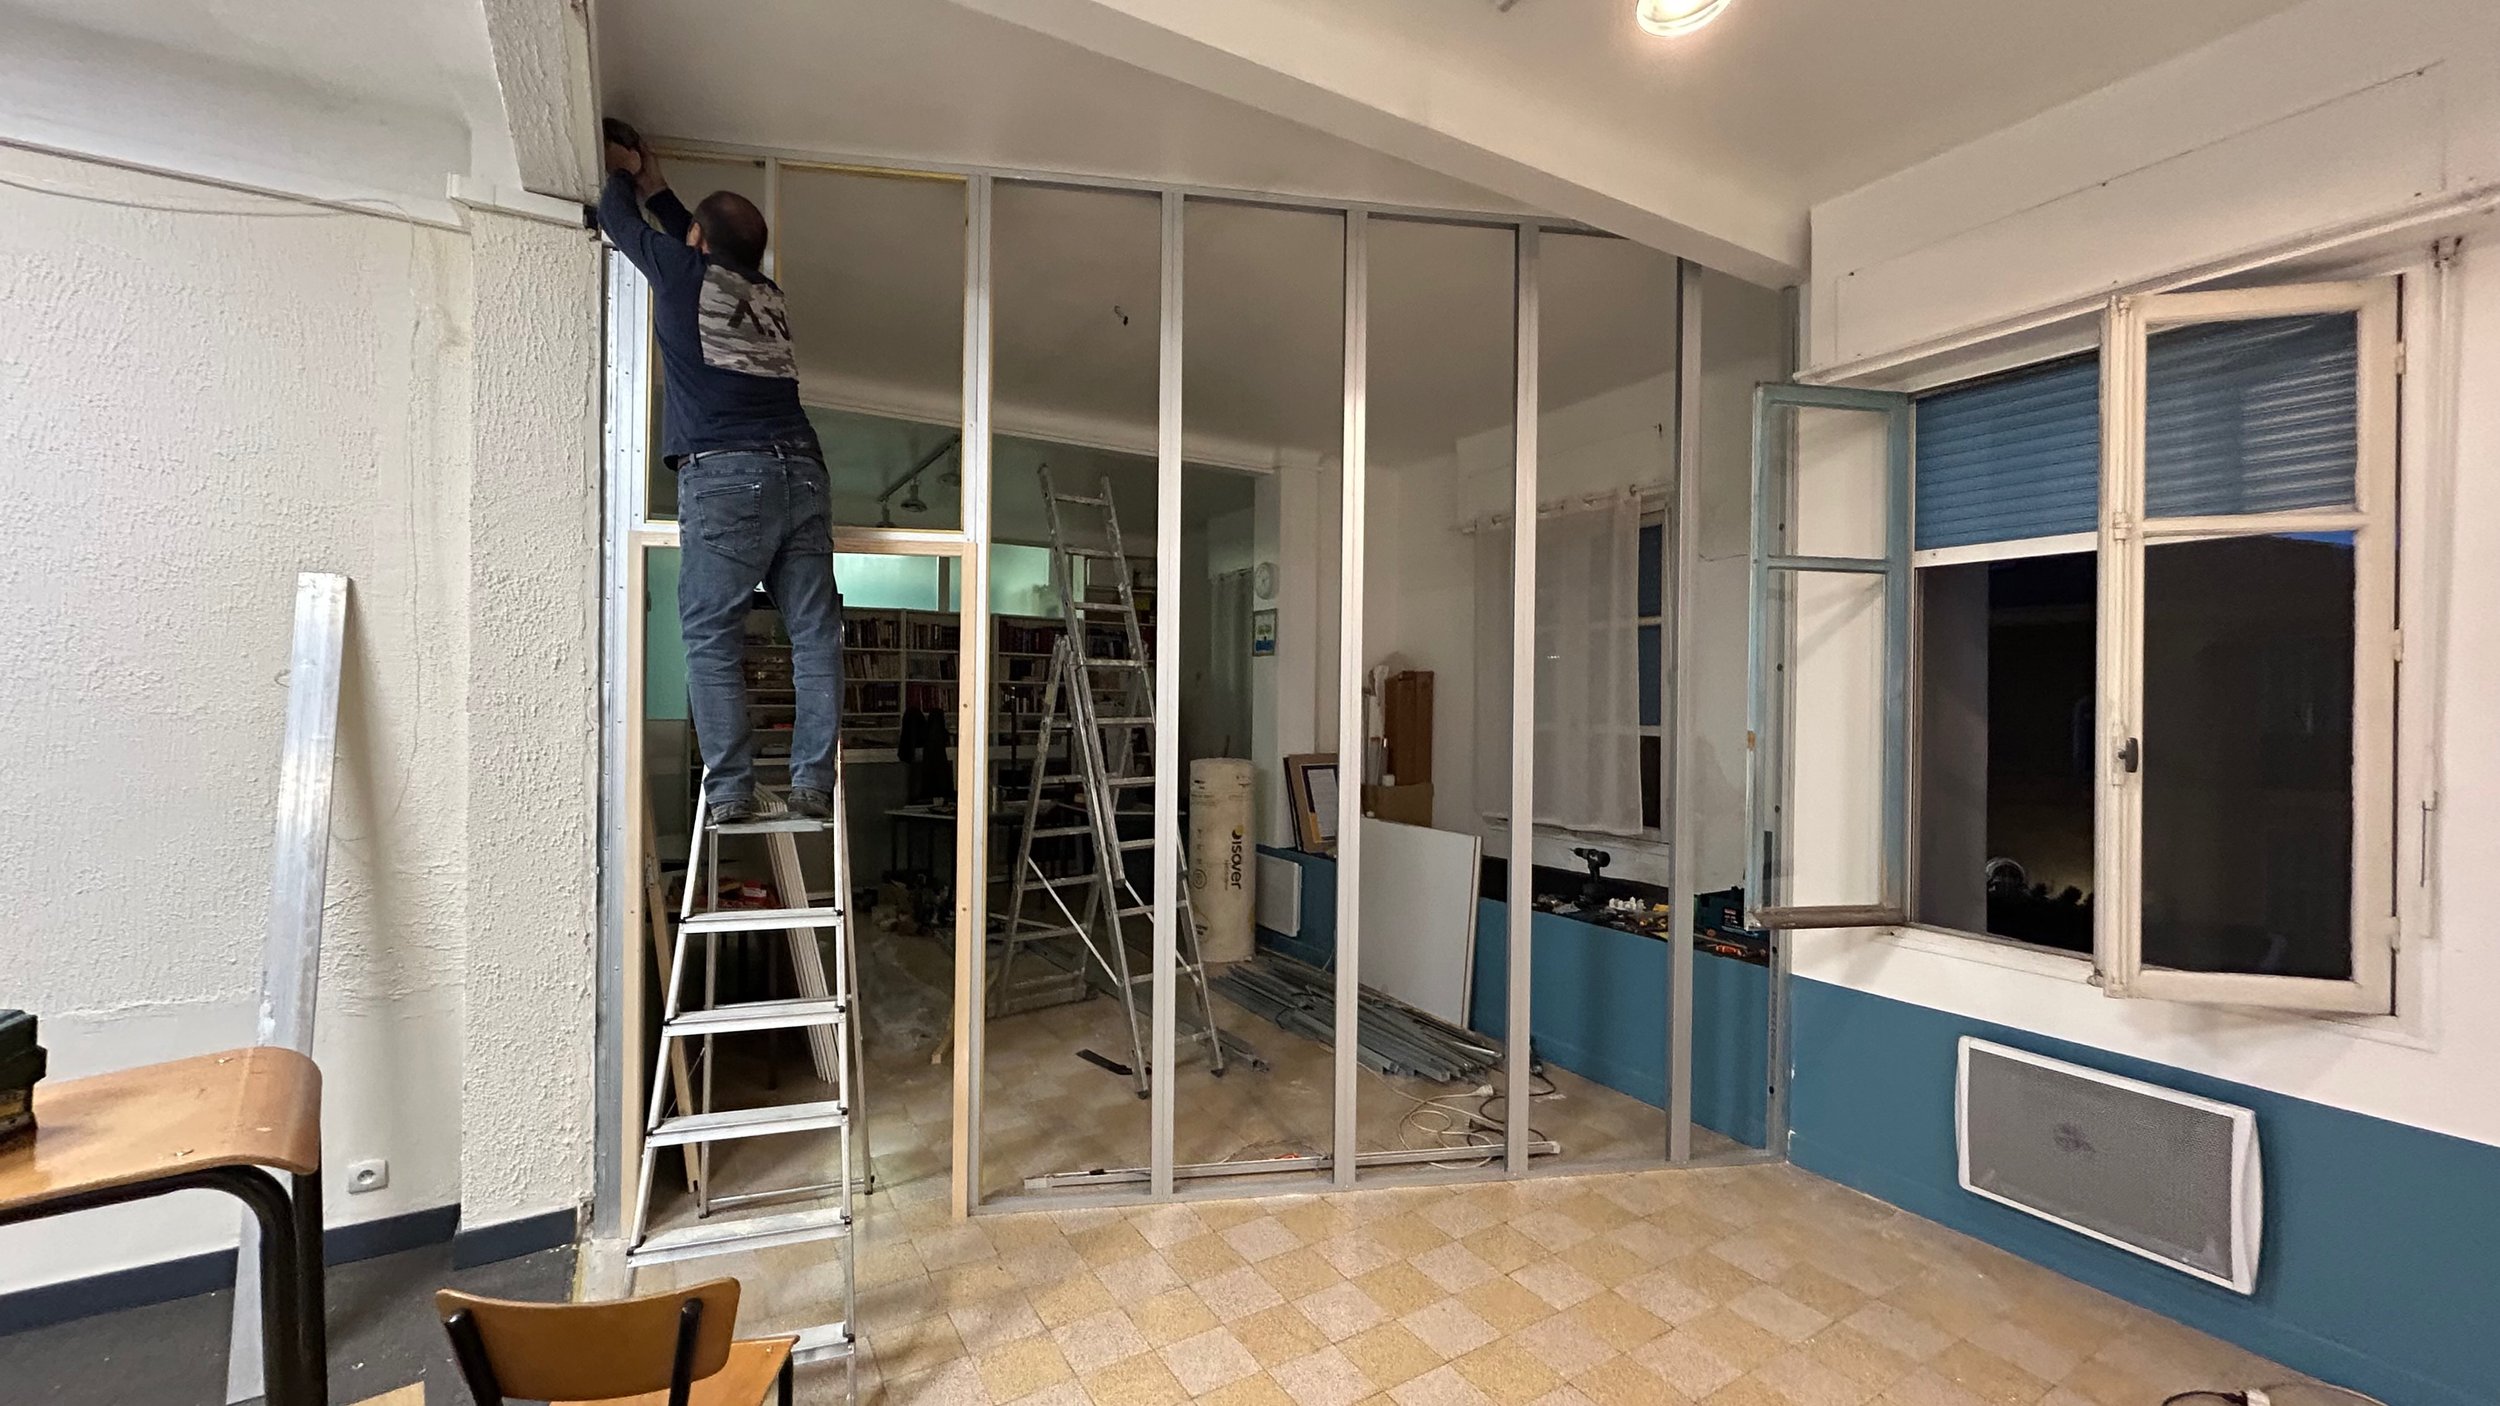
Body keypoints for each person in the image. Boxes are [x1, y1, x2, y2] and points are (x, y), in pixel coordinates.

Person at [599, 131, 841, 825]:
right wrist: (660, 188)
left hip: (729, 472)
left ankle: (732, 789)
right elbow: (702, 243)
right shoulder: (767, 294)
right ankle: (812, 783)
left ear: (699, 240)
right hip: (803, 470)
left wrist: (623, 175)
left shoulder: (685, 273)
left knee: (712, 636)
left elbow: (618, 223)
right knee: (815, 634)